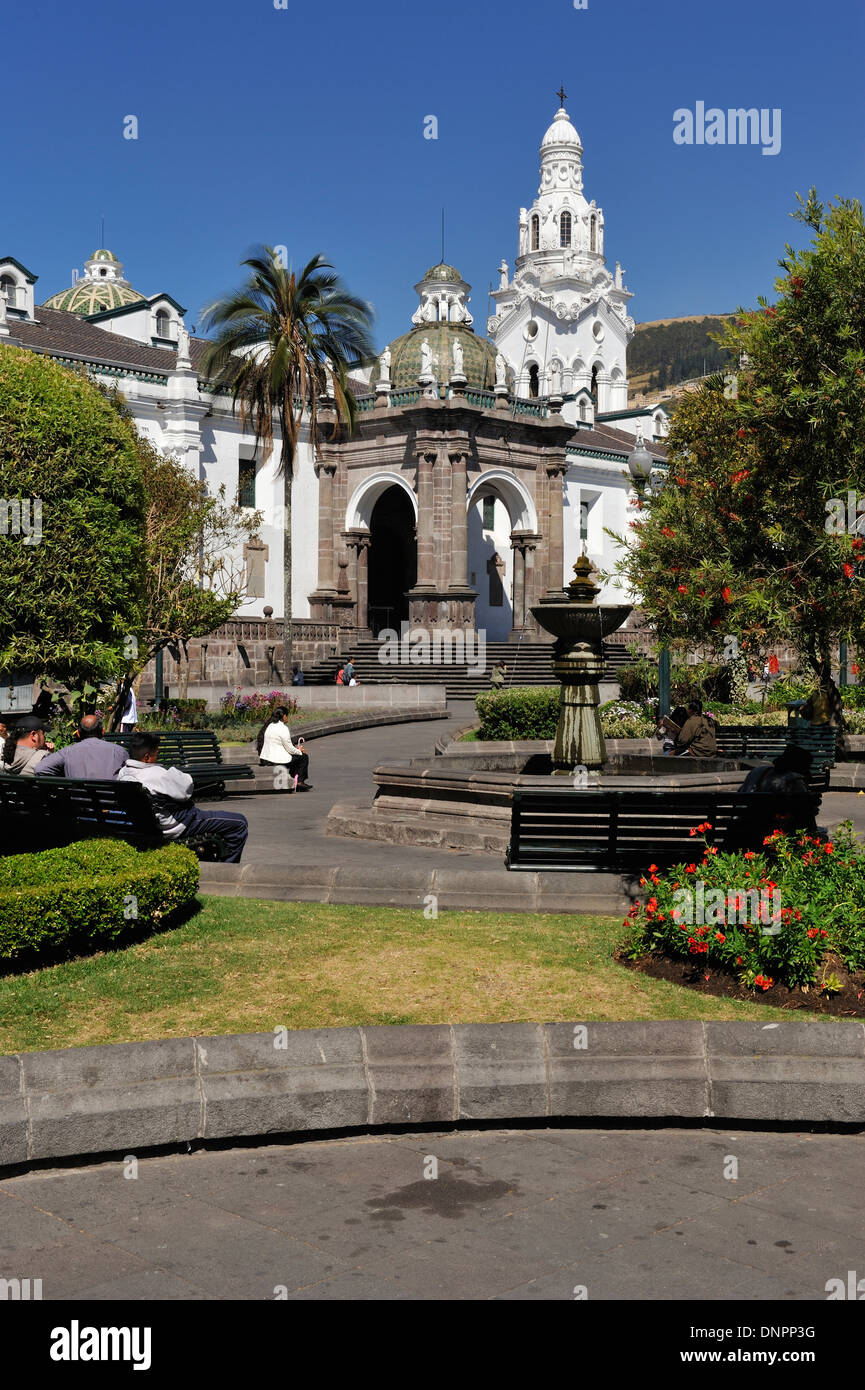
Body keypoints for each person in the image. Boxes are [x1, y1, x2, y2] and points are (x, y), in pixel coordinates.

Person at [117, 731, 248, 862]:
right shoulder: (157, 774)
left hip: (142, 825)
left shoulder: (123, 773)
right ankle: (226, 869)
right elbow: (186, 789)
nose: (158, 757)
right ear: (146, 757)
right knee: (239, 823)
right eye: (156, 754)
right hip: (174, 825)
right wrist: (169, 771)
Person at [36, 713, 129, 779]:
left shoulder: (67, 752)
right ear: (103, 731)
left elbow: (40, 769)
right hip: (110, 804)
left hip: (78, 805)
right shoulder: (119, 752)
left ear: (78, 734)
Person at [256, 706, 313, 790]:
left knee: (295, 757)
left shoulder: (269, 725)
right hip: (276, 760)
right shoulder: (283, 728)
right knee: (303, 757)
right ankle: (300, 781)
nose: (288, 718)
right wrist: (299, 751)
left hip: (265, 758)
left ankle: (294, 779)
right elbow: (290, 748)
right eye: (287, 716)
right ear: (284, 716)